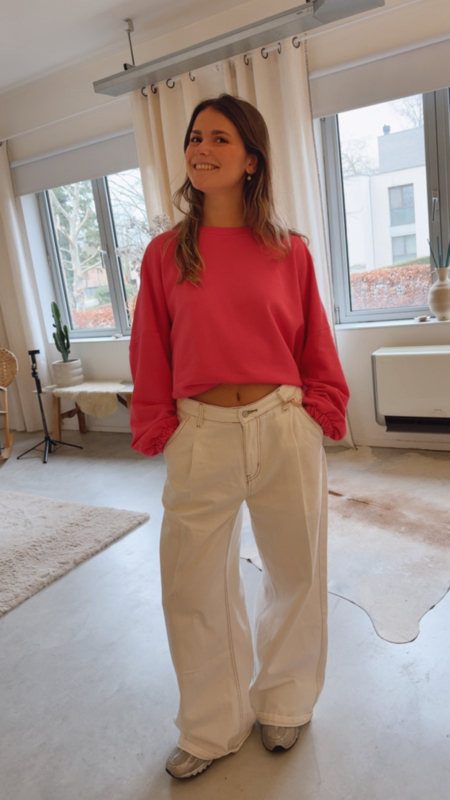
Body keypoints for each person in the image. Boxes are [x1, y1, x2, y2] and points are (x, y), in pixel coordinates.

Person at [129, 93, 349, 780]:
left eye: (219, 138)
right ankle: (211, 725)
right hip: (202, 433)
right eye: (195, 137)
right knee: (191, 585)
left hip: (283, 425)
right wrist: (160, 425)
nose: (200, 148)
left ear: (251, 159)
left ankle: (285, 700)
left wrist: (319, 408)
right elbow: (150, 347)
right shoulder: (165, 254)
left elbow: (314, 339)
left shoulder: (290, 250)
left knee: (295, 571)